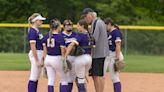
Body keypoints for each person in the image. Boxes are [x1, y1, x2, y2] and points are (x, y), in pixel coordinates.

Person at [81, 8, 109, 92]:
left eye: (85, 16)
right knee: (98, 75)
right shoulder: (100, 22)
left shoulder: (96, 22)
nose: (85, 19)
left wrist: (82, 38)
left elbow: (93, 39)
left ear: (90, 15)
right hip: (102, 52)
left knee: (97, 75)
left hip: (98, 53)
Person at [65, 19, 95, 92]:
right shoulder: (90, 35)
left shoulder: (80, 35)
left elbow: (72, 44)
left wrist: (65, 55)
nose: (77, 27)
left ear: (82, 26)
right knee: (82, 77)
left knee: (80, 79)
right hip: (89, 58)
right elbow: (93, 47)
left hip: (81, 58)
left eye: (78, 26)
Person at [42, 18, 68, 92]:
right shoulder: (60, 37)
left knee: (50, 80)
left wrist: (44, 62)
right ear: (58, 27)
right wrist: (64, 60)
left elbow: (45, 51)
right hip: (57, 59)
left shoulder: (46, 36)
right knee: (64, 79)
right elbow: (62, 51)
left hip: (48, 59)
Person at [104, 18, 124, 92]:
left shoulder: (116, 32)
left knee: (114, 77)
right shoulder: (108, 32)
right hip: (108, 55)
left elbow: (118, 45)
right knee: (102, 75)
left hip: (115, 55)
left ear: (109, 24)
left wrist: (117, 58)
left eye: (105, 25)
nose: (104, 27)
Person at [27, 13, 46, 92]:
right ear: (35, 21)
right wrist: (37, 60)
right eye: (40, 20)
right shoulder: (32, 31)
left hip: (39, 53)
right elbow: (33, 47)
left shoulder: (37, 30)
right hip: (36, 54)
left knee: (36, 77)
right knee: (33, 77)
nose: (42, 22)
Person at [61, 19, 77, 92]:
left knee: (71, 78)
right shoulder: (61, 35)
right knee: (64, 77)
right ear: (64, 26)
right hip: (65, 57)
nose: (69, 26)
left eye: (71, 25)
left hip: (74, 57)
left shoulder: (75, 35)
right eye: (67, 25)